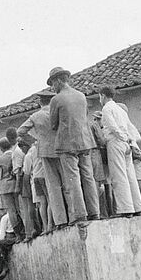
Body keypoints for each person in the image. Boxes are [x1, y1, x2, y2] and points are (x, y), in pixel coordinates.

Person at [47, 66, 100, 223]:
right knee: (88, 177)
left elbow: (53, 124)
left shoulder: (56, 100)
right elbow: (84, 117)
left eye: (52, 83)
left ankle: (80, 214)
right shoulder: (81, 96)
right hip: (84, 141)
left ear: (58, 81)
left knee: (73, 179)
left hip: (66, 143)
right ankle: (94, 211)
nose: (52, 87)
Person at [17, 89, 67, 229]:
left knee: (53, 188)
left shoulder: (36, 115)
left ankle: (58, 220)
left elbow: (20, 131)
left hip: (44, 151)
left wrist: (35, 141)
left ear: (40, 102)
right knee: (66, 184)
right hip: (60, 149)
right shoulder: (57, 113)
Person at [98, 86, 141, 217]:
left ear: (103, 95)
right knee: (130, 176)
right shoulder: (120, 109)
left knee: (119, 175)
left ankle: (126, 209)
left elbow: (112, 127)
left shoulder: (107, 108)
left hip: (116, 142)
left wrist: (122, 137)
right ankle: (138, 207)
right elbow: (131, 128)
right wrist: (131, 142)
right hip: (127, 144)